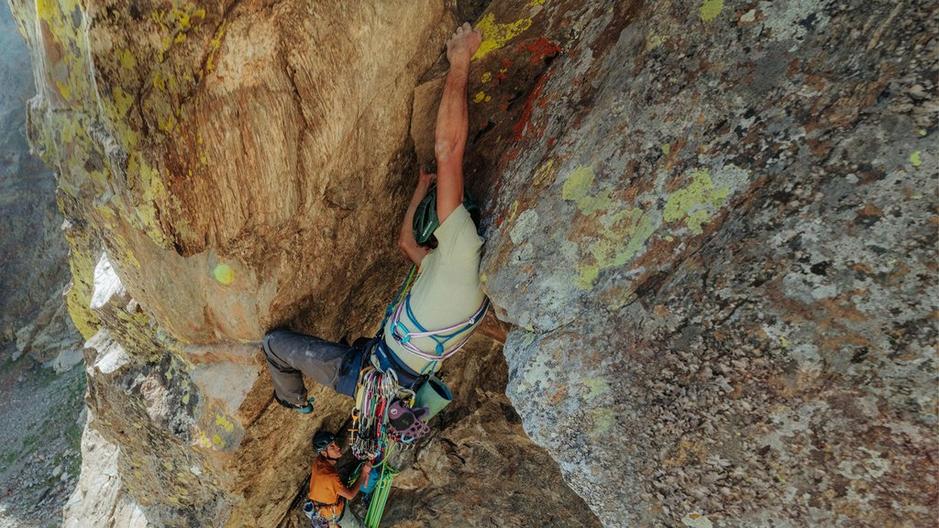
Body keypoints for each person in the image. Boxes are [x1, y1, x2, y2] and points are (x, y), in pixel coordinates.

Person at [262, 23, 485, 413]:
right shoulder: (451, 266)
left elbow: (448, 149)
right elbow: (406, 245)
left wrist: (461, 60)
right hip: (381, 375)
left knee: (273, 345)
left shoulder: (459, 250)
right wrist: (420, 190)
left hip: (362, 372)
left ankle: (294, 401)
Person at [304, 431, 372, 528]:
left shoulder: (318, 462)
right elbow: (350, 495)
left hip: (321, 508)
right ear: (324, 452)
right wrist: (364, 474)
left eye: (335, 443)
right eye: (332, 446)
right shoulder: (330, 476)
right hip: (333, 513)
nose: (338, 447)